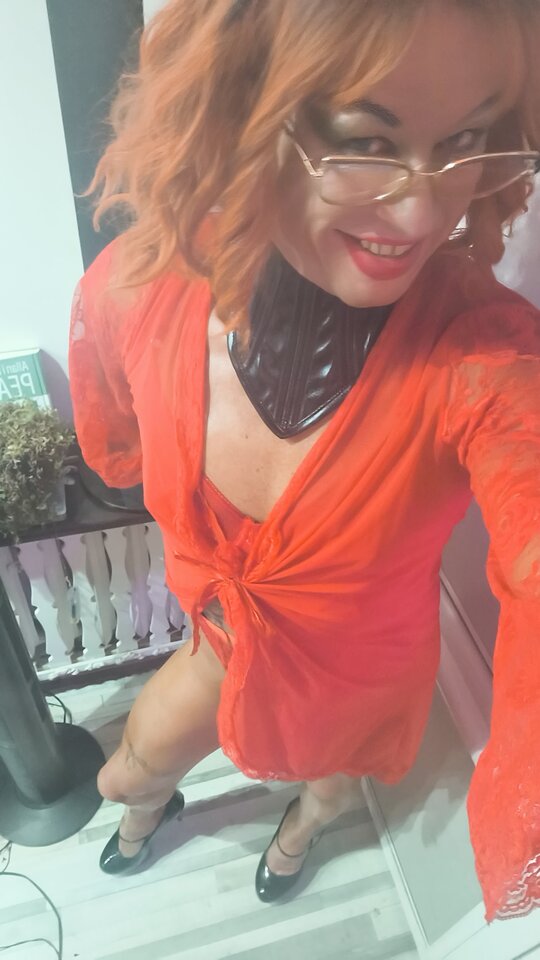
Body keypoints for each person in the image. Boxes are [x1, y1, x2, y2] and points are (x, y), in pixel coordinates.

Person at [68, 0, 540, 921]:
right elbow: (115, 436)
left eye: (466, 140)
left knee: (330, 789)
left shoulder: (481, 356)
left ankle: (299, 836)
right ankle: (147, 813)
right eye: (366, 142)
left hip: (364, 675)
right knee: (131, 768)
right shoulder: (138, 290)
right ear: (241, 109)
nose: (422, 211)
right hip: (218, 644)